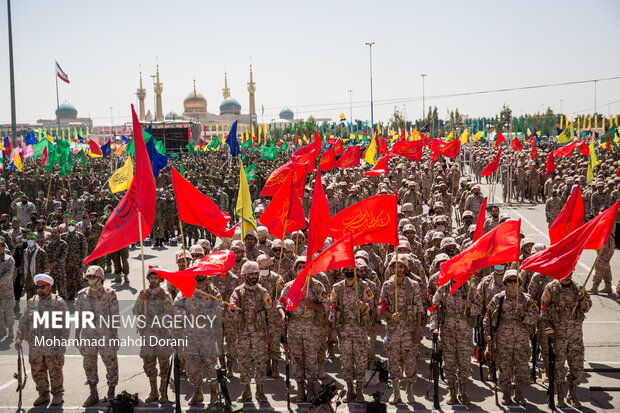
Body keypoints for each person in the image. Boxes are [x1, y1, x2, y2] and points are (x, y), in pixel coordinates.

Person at [483, 270, 539, 406]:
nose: (513, 284)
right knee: (504, 369)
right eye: (510, 281)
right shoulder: (498, 298)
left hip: (522, 341)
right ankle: (506, 394)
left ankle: (519, 394)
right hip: (503, 341)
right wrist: (488, 335)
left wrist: (524, 316)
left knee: (521, 369)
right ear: (505, 283)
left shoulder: (527, 299)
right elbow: (487, 318)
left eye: (516, 281)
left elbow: (536, 316)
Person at [277, 258, 329, 402]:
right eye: (299, 266)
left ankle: (310, 387)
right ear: (295, 268)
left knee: (311, 358)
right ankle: (300, 388)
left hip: (312, 328)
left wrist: (311, 304)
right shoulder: (289, 286)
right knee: (297, 358)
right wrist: (283, 316)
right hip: (294, 328)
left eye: (304, 266)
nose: (301, 268)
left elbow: (325, 306)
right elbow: (280, 304)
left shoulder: (317, 286)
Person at [15, 274, 69, 406]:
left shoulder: (58, 302)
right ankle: (43, 394)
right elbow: (23, 321)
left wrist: (63, 342)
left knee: (55, 370)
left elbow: (66, 324)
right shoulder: (32, 302)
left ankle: (57, 395)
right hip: (35, 345)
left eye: (42, 287)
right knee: (37, 371)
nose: (39, 289)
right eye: (38, 287)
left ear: (49, 287)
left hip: (53, 344)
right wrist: (18, 337)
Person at [540, 273, 592, 408]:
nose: (567, 275)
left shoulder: (579, 287)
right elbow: (543, 310)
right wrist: (548, 328)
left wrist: (581, 300)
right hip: (558, 335)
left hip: (575, 335)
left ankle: (572, 393)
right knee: (557, 366)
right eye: (565, 272)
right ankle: (560, 394)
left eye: (570, 273)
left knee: (577, 365)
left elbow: (587, 307)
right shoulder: (551, 288)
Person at [431, 277, 482, 405]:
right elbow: (434, 308)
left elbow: (480, 307)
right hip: (448, 332)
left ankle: (462, 391)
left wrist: (471, 306)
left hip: (465, 333)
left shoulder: (471, 289)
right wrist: (434, 328)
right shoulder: (443, 289)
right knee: (449, 363)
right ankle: (452, 391)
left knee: (464, 363)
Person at [379, 255, 423, 404]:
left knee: (410, 360)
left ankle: (409, 390)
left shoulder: (414, 285)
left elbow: (419, 309)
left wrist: (418, 329)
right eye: (396, 266)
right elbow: (381, 306)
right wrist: (390, 315)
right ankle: (396, 390)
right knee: (393, 359)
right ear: (392, 268)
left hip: (409, 329)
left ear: (406, 268)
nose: (399, 269)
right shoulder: (387, 285)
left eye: (402, 266)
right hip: (393, 329)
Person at [172, 273, 222, 405]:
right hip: (190, 336)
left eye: (202, 274)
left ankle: (213, 394)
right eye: (197, 275)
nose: (199, 277)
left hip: (207, 337)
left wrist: (201, 314)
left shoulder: (213, 291)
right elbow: (175, 307)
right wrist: (187, 314)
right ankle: (197, 392)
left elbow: (219, 310)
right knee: (192, 367)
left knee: (211, 366)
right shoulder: (185, 290)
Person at [76, 265, 120, 407]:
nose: (91, 279)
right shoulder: (81, 294)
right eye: (89, 276)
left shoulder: (110, 293)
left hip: (105, 336)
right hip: (88, 336)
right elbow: (79, 317)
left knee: (111, 365)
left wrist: (114, 336)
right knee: (89, 365)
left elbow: (115, 317)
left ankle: (111, 392)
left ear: (101, 277)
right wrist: (77, 336)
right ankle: (93, 393)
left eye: (94, 276)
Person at [329, 266, 374, 403]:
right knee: (346, 362)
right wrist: (333, 329)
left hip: (360, 329)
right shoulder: (337, 288)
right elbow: (333, 307)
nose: (348, 272)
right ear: (342, 272)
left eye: (351, 270)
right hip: (344, 330)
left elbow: (372, 303)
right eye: (346, 270)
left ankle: (359, 390)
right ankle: (350, 389)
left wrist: (364, 306)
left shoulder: (364, 286)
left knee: (361, 361)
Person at [229, 261, 272, 403]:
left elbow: (270, 313)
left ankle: (260, 390)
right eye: (251, 274)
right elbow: (232, 303)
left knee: (260, 361)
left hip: (259, 333)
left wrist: (269, 333)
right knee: (243, 362)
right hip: (243, 333)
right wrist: (233, 307)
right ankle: (246, 390)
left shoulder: (263, 292)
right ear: (245, 275)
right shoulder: (238, 291)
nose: (254, 276)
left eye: (255, 273)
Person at [133, 269, 173, 404]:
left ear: (159, 280)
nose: (153, 280)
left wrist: (154, 319)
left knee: (164, 365)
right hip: (147, 335)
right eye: (151, 277)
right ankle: (154, 391)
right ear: (148, 278)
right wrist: (140, 302)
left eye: (156, 278)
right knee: (149, 364)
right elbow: (135, 312)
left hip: (162, 335)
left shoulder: (165, 294)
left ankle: (163, 392)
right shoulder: (142, 294)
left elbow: (169, 314)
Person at [22, 233, 50, 299]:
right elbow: (23, 265)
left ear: (35, 240)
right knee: (29, 299)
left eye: (32, 239)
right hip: (28, 280)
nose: (30, 240)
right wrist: (22, 277)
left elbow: (46, 268)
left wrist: (44, 280)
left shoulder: (41, 252)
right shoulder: (25, 252)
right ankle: (30, 309)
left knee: (38, 298)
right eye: (28, 239)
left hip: (38, 280)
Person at [0, 236, 15, 338]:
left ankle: (11, 330)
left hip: (6, 291)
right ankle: (3, 330)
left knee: (8, 311)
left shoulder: (9, 259)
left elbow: (9, 274)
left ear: (3, 247)